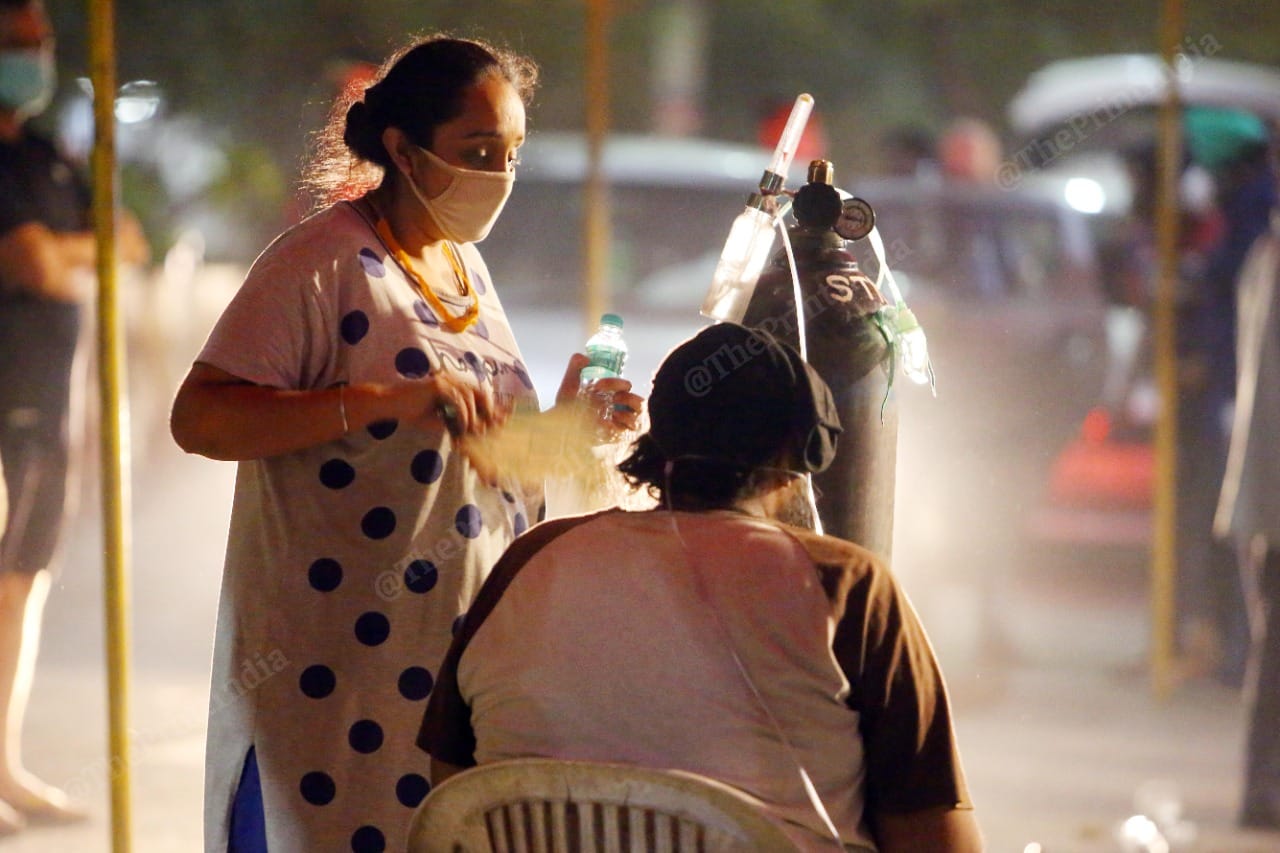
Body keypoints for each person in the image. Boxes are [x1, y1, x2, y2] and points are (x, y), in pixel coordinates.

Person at [169, 35, 641, 853]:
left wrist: (569, 429)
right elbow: (202, 418)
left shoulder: (466, 272)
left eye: (513, 152)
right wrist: (376, 400)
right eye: (478, 149)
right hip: (332, 676)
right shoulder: (320, 262)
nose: (499, 172)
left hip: (455, 675)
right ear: (402, 148)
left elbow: (476, 457)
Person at [419, 323, 983, 852]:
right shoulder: (847, 586)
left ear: (655, 443)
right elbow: (935, 834)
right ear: (796, 461)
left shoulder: (531, 558)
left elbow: (452, 791)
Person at [0, 0, 147, 834]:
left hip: (51, 400)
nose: (34, 56)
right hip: (4, 399)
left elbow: (124, 241)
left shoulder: (46, 154)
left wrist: (64, 255)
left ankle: (6, 762)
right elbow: (32, 263)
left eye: (39, 43)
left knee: (22, 586)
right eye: (17, 43)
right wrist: (65, 255)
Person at [1215, 198, 1280, 830]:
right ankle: (1262, 793)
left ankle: (1262, 791)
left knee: (1271, 650)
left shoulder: (1262, 254)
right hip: (1268, 496)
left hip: (1262, 497)